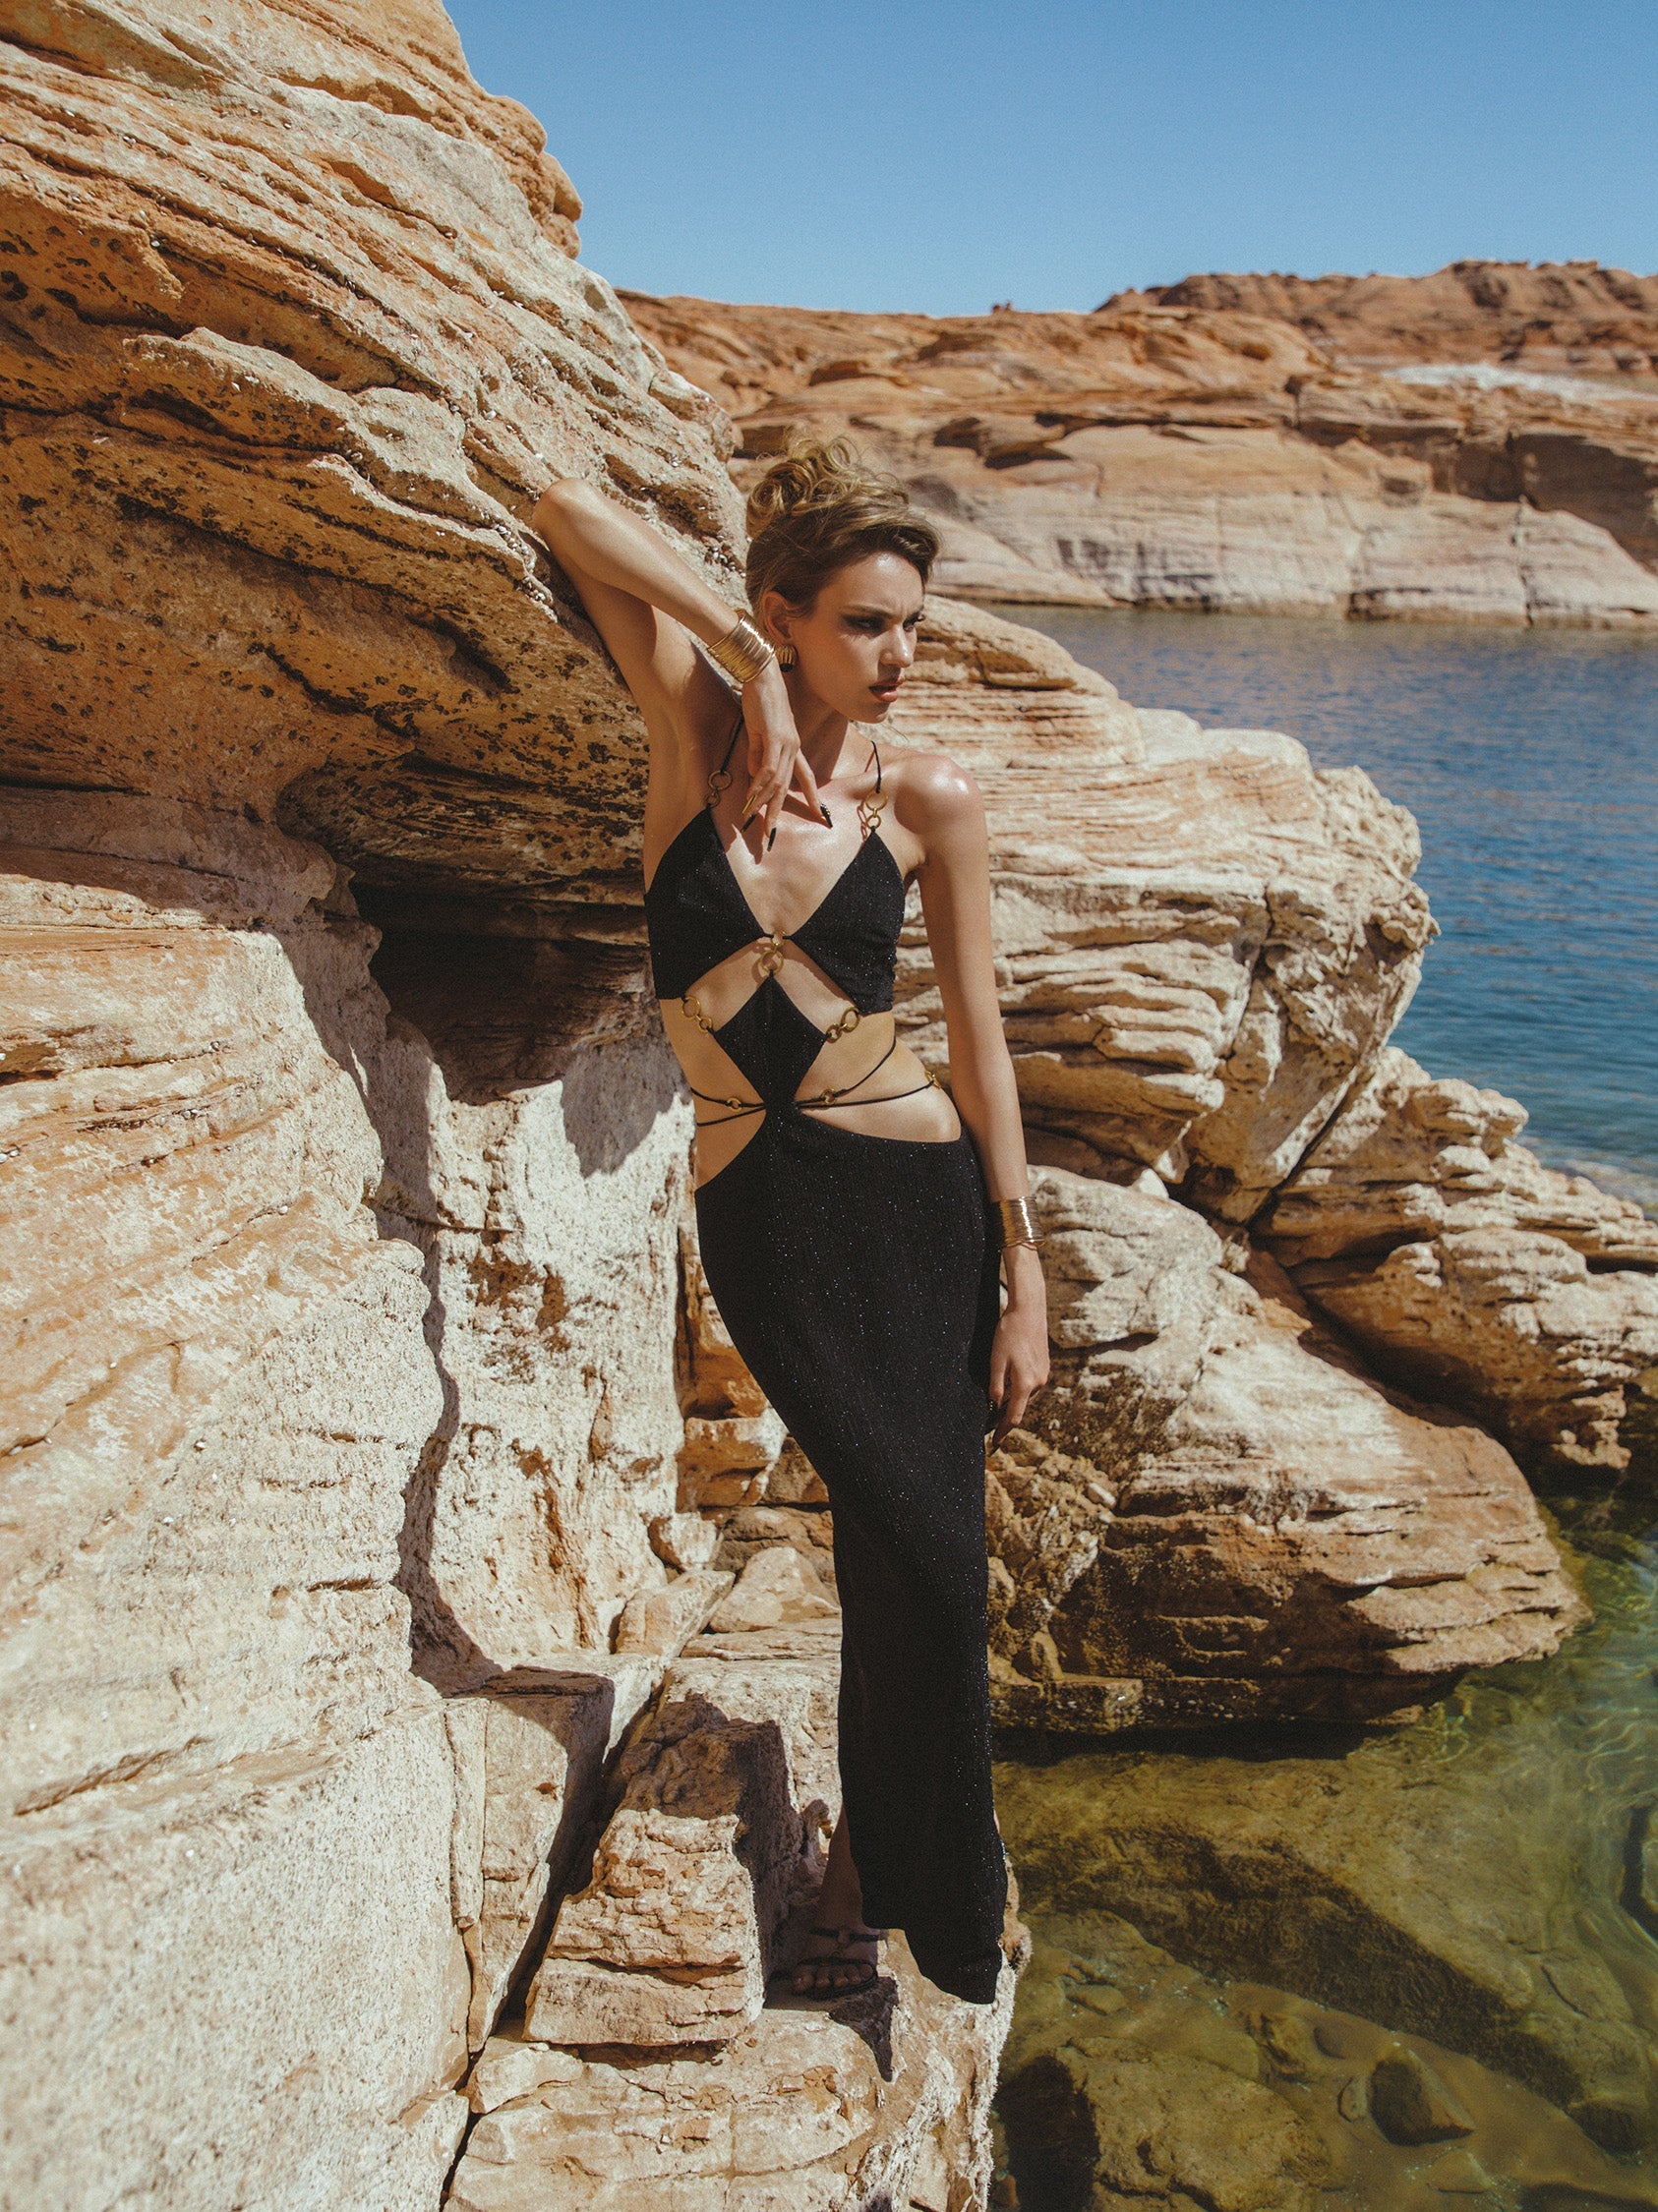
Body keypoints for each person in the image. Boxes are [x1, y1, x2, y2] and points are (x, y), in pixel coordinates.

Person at [531, 439, 1049, 2007]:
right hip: (759, 1213)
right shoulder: (694, 734)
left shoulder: (926, 799)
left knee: (929, 1563)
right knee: (890, 1539)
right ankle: (892, 1863)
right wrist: (743, 663)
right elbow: (565, 511)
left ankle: (871, 1882)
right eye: (866, 623)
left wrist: (1024, 1272)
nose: (899, 656)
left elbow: (981, 1041)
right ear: (786, 615)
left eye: (913, 628)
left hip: (919, 1209)